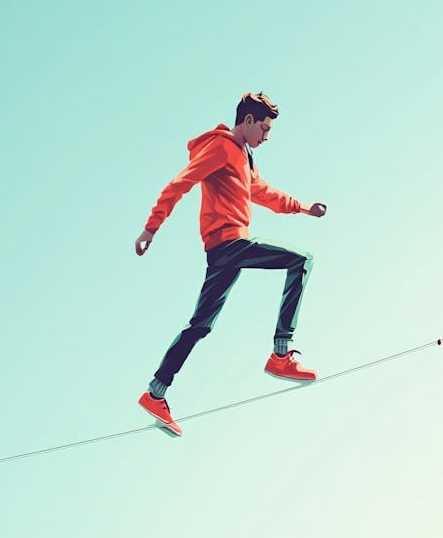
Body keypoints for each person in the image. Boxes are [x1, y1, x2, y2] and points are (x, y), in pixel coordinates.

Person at [134, 92, 327, 435]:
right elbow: (181, 184)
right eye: (264, 129)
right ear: (248, 121)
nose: (267, 136)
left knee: (200, 326)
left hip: (221, 252)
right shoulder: (222, 148)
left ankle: (155, 392)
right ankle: (280, 354)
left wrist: (303, 207)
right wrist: (151, 227)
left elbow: (264, 193)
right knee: (302, 261)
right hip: (230, 243)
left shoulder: (245, 158)